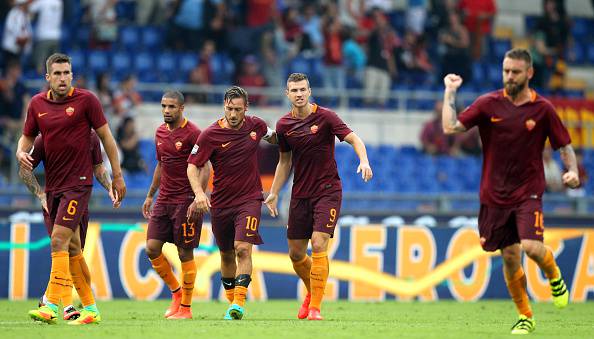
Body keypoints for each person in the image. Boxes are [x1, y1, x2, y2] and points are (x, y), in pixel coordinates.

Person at [441, 48, 578, 335]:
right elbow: (451, 127)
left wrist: (572, 171)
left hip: (528, 191)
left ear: (529, 73)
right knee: (510, 256)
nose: (509, 76)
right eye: (506, 71)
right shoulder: (488, 104)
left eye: (515, 72)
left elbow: (563, 145)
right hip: (494, 195)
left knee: (530, 246)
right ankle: (525, 316)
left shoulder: (542, 109)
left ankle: (554, 275)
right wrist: (449, 92)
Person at [16, 53, 126, 325]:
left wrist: (117, 177)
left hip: (78, 186)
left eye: (67, 73)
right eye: (57, 74)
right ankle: (89, 308)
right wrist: (20, 153)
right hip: (54, 189)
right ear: (48, 78)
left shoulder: (86, 101)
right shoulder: (37, 105)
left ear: (72, 75)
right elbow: (26, 144)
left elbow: (107, 139)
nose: (63, 78)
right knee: (73, 248)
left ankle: (50, 303)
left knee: (58, 241)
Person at [264, 73, 372, 320]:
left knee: (319, 242)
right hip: (300, 194)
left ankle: (316, 307)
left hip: (327, 191)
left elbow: (354, 139)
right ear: (287, 94)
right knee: (295, 254)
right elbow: (285, 161)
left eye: (303, 89)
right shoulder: (283, 126)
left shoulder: (326, 117)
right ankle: (313, 290)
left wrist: (364, 161)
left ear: (309, 90)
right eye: (294, 90)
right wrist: (274, 192)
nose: (299, 94)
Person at [187, 86, 276, 320]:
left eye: (238, 109)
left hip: (249, 199)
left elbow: (275, 136)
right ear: (223, 106)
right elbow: (192, 166)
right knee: (226, 255)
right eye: (229, 109)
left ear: (246, 108)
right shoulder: (210, 135)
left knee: (243, 248)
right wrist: (199, 193)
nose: (233, 114)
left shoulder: (256, 125)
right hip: (221, 203)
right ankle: (231, 305)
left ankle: (238, 303)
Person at [19, 130, 117, 321]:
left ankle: (55, 302)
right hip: (54, 199)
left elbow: (98, 167)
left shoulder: (90, 136)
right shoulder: (44, 137)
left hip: (77, 196)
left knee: (69, 248)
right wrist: (40, 194)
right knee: (70, 249)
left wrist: (110, 187)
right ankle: (73, 306)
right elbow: (24, 169)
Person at [142, 91, 208, 320]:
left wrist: (198, 196)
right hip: (164, 199)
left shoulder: (193, 134)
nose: (166, 110)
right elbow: (161, 165)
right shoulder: (160, 132)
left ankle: (186, 309)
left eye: (171, 106)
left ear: (182, 108)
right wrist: (151, 195)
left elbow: (206, 167)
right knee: (151, 247)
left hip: (186, 201)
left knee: (184, 252)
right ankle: (176, 292)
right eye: (163, 106)